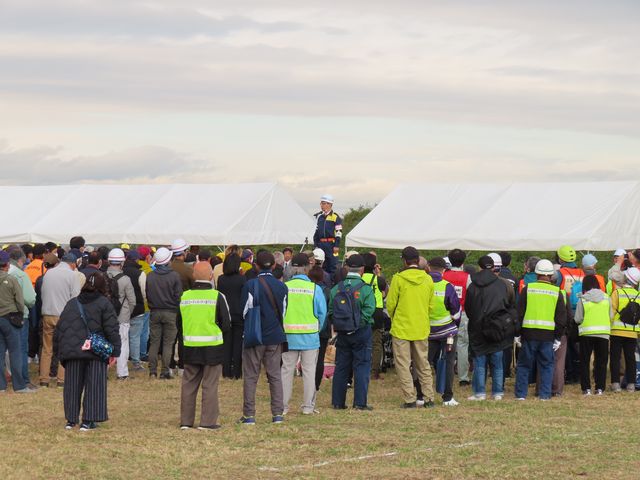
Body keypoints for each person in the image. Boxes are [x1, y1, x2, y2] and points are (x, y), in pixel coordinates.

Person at [54, 272, 121, 430]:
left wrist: (59, 351)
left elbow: (61, 329)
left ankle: (71, 420)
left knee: (72, 386)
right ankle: (89, 420)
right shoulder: (104, 303)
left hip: (73, 350)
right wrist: (115, 351)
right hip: (95, 350)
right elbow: (112, 329)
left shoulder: (72, 303)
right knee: (95, 385)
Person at [179, 262, 231, 430]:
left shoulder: (184, 296)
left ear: (194, 275)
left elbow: (178, 322)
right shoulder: (218, 296)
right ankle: (207, 422)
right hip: (212, 347)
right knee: (210, 385)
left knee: (188, 384)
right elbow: (227, 324)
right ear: (211, 276)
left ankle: (186, 421)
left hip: (190, 345)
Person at [239, 251, 288, 425]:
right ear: (274, 265)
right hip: (274, 336)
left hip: (255, 336)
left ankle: (249, 415)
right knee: (275, 376)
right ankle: (277, 414)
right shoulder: (282, 286)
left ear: (256, 265)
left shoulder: (250, 284)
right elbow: (284, 312)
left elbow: (243, 311)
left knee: (251, 376)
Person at [386, 246, 435, 408]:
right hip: (421, 327)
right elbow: (431, 305)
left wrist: (395, 318)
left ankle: (409, 399)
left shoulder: (398, 279)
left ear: (404, 261)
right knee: (423, 364)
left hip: (401, 328)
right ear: (418, 260)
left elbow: (391, 304)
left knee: (403, 365)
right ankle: (429, 398)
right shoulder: (428, 279)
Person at [514, 259, 567, 400]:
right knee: (547, 365)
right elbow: (561, 318)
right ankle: (544, 395)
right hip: (548, 336)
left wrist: (517, 333)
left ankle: (521, 394)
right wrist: (558, 337)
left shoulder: (528, 289)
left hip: (528, 333)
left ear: (536, 273)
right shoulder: (556, 292)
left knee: (524, 365)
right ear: (551, 275)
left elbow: (519, 313)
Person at [281, 253, 327, 415]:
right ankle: (308, 406)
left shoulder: (285, 287)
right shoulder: (315, 289)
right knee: (309, 371)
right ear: (307, 268)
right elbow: (322, 314)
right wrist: (316, 329)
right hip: (310, 336)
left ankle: (283, 406)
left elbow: (280, 311)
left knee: (286, 370)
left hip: (288, 335)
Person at [465, 256, 515, 401]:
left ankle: (480, 392)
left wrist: (476, 319)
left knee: (480, 361)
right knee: (497, 361)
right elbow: (508, 304)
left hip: (477, 327)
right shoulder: (502, 285)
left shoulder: (473, 286)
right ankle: (498, 392)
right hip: (497, 326)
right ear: (493, 267)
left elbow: (468, 308)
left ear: (479, 267)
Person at [329, 253, 375, 410]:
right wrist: (357, 324)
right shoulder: (365, 289)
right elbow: (369, 310)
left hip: (342, 332)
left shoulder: (336, 288)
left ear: (347, 268)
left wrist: (341, 325)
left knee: (341, 366)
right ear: (362, 269)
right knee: (362, 366)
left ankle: (338, 402)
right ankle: (360, 403)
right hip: (361, 332)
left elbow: (331, 311)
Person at [40, 251, 81, 387]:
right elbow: (75, 298)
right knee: (65, 347)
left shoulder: (49, 273)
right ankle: (61, 380)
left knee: (47, 348)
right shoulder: (72, 275)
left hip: (47, 314)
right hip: (63, 316)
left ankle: (44, 379)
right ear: (73, 264)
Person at [426, 257, 461, 406]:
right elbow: (456, 311)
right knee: (448, 363)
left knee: (423, 363)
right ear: (444, 270)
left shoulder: (423, 285)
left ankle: (421, 395)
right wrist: (455, 325)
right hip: (448, 332)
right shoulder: (447, 286)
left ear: (428, 267)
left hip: (427, 331)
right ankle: (447, 397)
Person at [146, 247, 183, 379]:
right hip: (171, 312)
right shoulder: (174, 276)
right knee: (168, 343)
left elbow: (148, 295)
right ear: (168, 261)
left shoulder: (150, 276)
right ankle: (165, 371)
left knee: (154, 342)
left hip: (155, 312)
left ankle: (152, 371)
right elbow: (179, 296)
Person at [0, 250, 33, 394]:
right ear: (7, 264)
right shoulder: (12, 279)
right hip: (11, 318)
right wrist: (20, 313)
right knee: (16, 352)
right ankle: (19, 385)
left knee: (0, 352)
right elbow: (20, 301)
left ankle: (1, 386)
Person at [574, 275, 611, 395]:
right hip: (603, 334)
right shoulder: (607, 298)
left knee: (584, 362)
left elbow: (578, 318)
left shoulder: (583, 299)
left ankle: (586, 389)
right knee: (601, 362)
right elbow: (611, 316)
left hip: (586, 333)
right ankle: (600, 388)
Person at [7, 246, 37, 388]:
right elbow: (30, 299)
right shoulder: (20, 275)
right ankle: (23, 380)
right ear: (20, 260)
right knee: (21, 348)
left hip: (3, 314)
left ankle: (5, 378)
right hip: (19, 316)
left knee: (4, 349)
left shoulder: (5, 272)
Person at [443, 249, 472, 386]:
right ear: (463, 261)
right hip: (462, 313)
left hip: (444, 313)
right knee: (462, 345)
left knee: (443, 344)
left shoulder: (444, 275)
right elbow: (471, 296)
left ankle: (443, 374)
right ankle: (463, 378)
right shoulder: (467, 277)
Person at [105, 248, 136, 380]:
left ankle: (103, 371)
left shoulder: (102, 276)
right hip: (122, 316)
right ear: (122, 262)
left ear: (109, 261)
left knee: (104, 343)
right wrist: (127, 313)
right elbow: (132, 301)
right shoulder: (125, 279)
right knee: (123, 344)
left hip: (105, 316)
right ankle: (122, 373)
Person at [609, 267, 640, 392]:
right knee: (630, 358)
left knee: (615, 357)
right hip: (632, 332)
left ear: (625, 278)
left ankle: (616, 384)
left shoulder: (617, 293)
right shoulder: (638, 295)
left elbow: (611, 313)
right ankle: (631, 384)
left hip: (616, 331)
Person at [216, 253, 246, 379]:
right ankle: (237, 372)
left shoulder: (221, 279)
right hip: (239, 314)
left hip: (225, 314)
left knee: (226, 343)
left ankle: (226, 371)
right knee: (238, 344)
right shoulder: (242, 279)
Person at [361, 253, 388, 380]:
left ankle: (360, 367)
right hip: (377, 311)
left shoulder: (360, 279)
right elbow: (385, 292)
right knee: (376, 343)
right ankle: (374, 372)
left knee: (360, 341)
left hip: (362, 310)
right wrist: (377, 273)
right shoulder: (379, 280)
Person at [170, 239, 194, 375]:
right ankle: (182, 365)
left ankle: (170, 365)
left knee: (171, 337)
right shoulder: (188, 269)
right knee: (182, 336)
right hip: (185, 306)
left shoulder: (168, 267)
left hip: (169, 306)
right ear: (184, 253)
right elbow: (194, 286)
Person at [122, 250, 147, 372]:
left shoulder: (120, 272)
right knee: (135, 337)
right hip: (137, 308)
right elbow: (144, 292)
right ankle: (136, 362)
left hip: (122, 309)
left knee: (123, 336)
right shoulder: (140, 274)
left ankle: (122, 360)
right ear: (137, 260)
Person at [309, 265, 331, 394]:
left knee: (309, 359)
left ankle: (309, 383)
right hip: (324, 328)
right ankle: (316, 385)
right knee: (320, 358)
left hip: (309, 327)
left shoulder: (308, 289)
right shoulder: (327, 291)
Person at [313, 194, 343, 276]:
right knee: (320, 265)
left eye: (323, 203)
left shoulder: (335, 217)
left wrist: (336, 245)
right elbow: (316, 232)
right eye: (321, 203)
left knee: (332, 265)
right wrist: (316, 245)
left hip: (331, 245)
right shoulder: (320, 217)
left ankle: (331, 282)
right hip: (321, 244)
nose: (321, 205)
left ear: (329, 204)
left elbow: (339, 232)